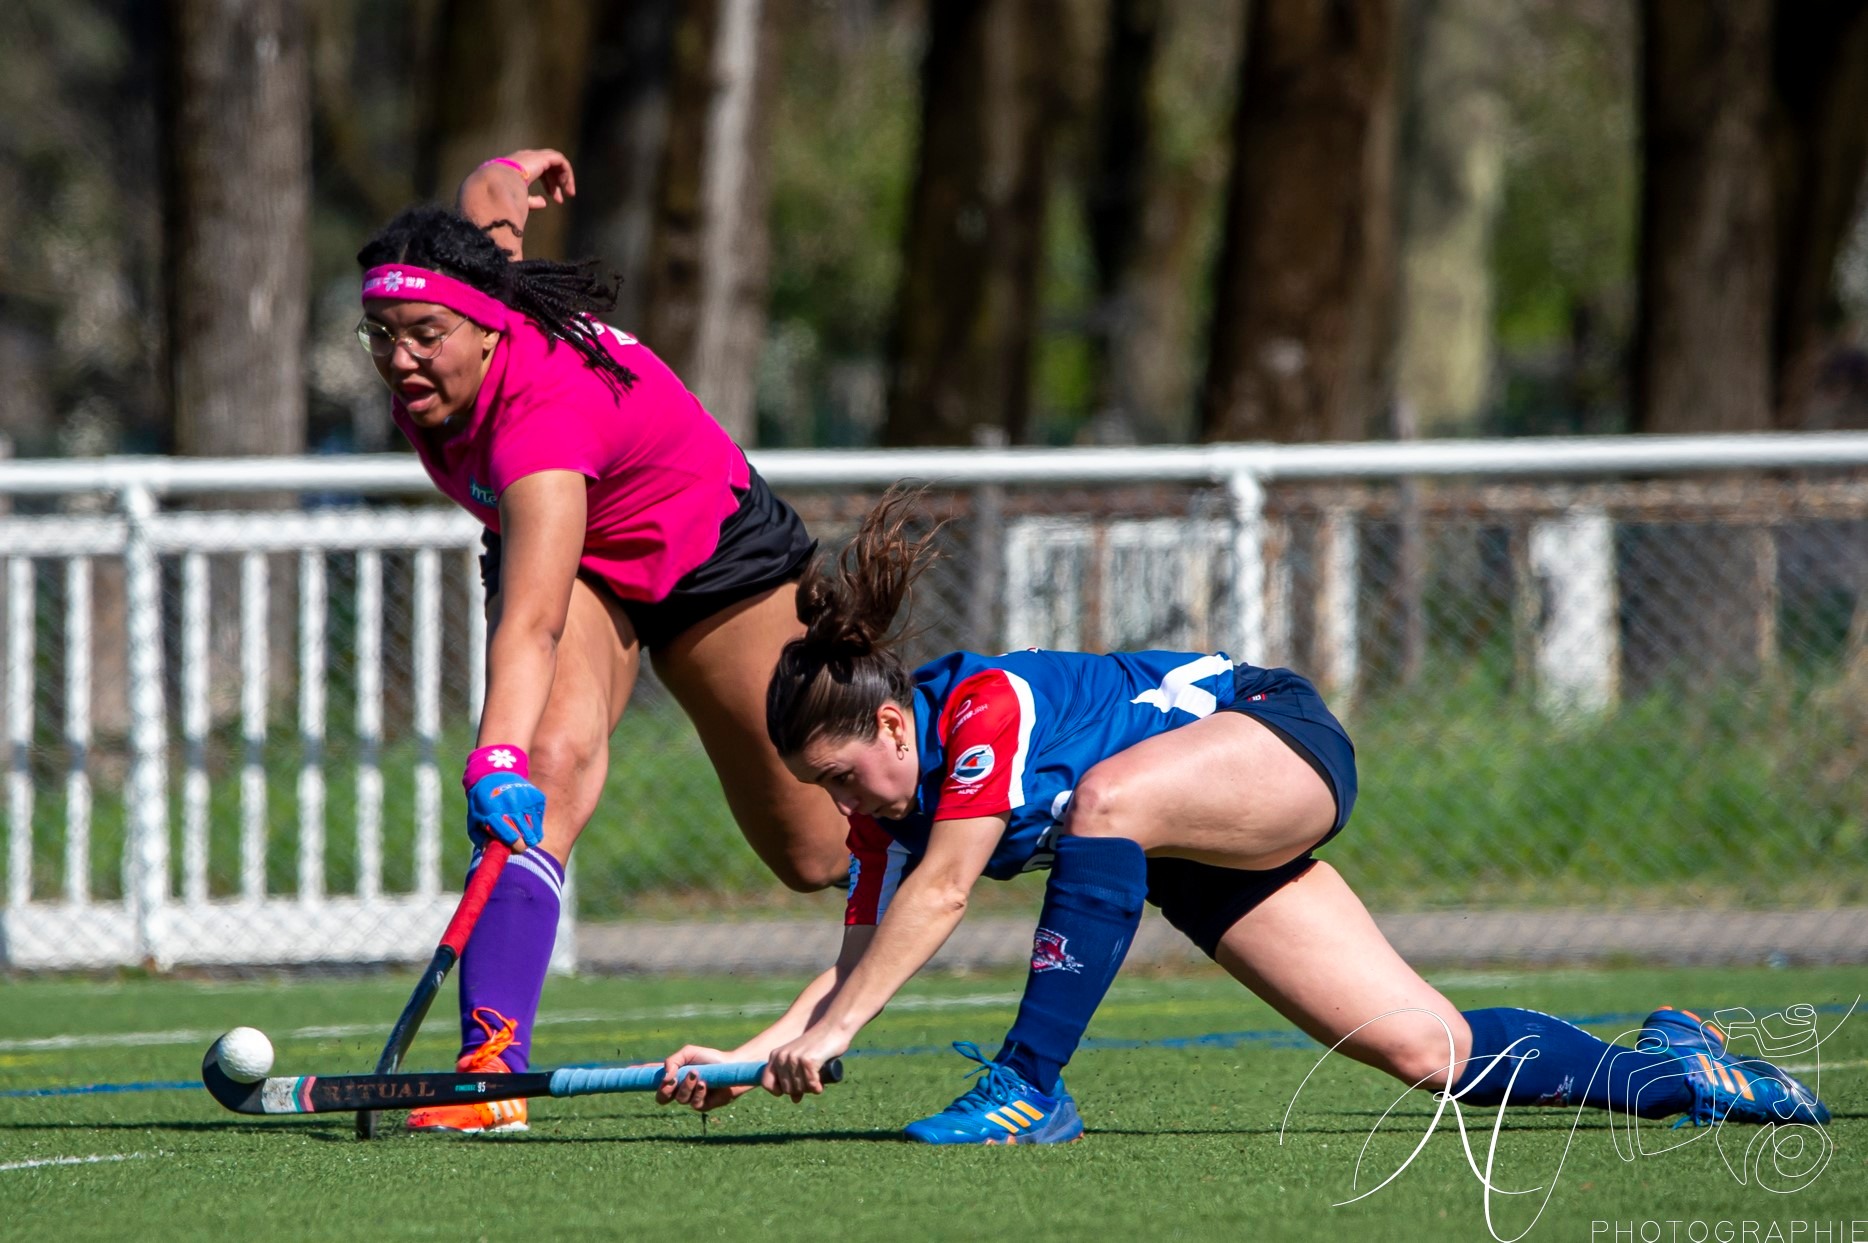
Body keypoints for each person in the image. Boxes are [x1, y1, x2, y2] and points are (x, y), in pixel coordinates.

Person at [654, 493, 1832, 1143]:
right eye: (823, 790)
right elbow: (850, 966)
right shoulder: (887, 814)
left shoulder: (978, 711)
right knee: (1428, 1050)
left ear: (894, 728)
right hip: (1168, 843)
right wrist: (756, 1055)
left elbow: (947, 892)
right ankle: (1680, 1074)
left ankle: (1027, 1084)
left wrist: (844, 1030)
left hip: (1273, 741)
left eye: (845, 777)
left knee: (1109, 795)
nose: (841, 806)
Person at [355, 148, 849, 1134]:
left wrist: (483, 755)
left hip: (713, 552)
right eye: (380, 333)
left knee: (817, 846)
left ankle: (991, 834)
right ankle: (490, 1070)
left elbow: (528, 624)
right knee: (549, 767)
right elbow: (486, 206)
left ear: (488, 326)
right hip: (582, 555)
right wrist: (506, 171)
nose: (401, 356)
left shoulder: (535, 422)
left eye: (425, 334)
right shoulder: (471, 305)